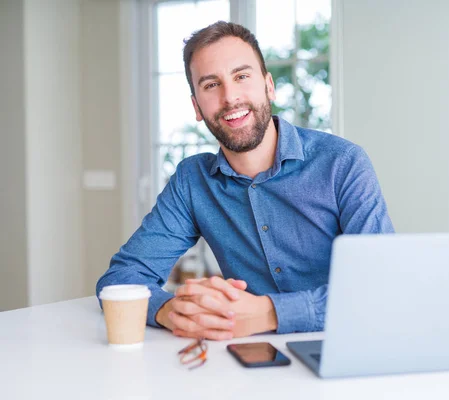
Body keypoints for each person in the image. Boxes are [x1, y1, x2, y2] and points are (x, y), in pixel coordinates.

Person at [96, 21, 394, 341]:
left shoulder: (343, 162)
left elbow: (384, 285)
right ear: (197, 107)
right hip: (250, 358)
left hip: (348, 344)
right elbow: (120, 280)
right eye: (211, 85)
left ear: (268, 86)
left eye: (241, 76)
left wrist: (268, 312)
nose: (230, 97)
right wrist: (169, 311)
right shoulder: (192, 181)